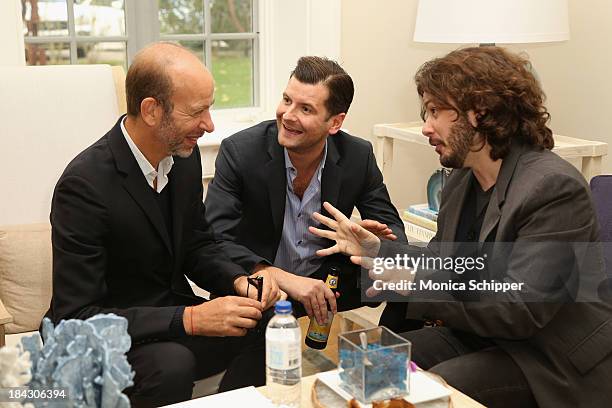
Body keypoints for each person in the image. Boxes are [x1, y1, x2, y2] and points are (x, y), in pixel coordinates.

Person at [309, 47, 612, 408]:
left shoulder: (553, 188)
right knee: (366, 364)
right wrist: (378, 253)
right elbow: (444, 263)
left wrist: (417, 282)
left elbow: (520, 309)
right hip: (481, 335)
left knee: (438, 390)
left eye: (436, 111)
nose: (426, 127)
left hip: (547, 357)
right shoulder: (461, 182)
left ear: (479, 112)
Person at [46, 42, 281, 406]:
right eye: (197, 111)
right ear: (152, 110)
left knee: (264, 321)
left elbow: (197, 246)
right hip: (106, 337)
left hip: (167, 319)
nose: (209, 124)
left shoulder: (182, 159)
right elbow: (76, 316)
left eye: (210, 108)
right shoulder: (84, 187)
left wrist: (238, 280)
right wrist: (189, 319)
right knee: (172, 364)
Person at [204, 56, 407, 325]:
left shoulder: (357, 156)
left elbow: (395, 232)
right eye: (287, 100)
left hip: (327, 281)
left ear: (335, 123)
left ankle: (383, 359)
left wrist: (378, 244)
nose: (288, 116)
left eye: (306, 109)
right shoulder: (241, 152)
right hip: (262, 283)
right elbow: (215, 238)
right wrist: (276, 276)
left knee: (402, 283)